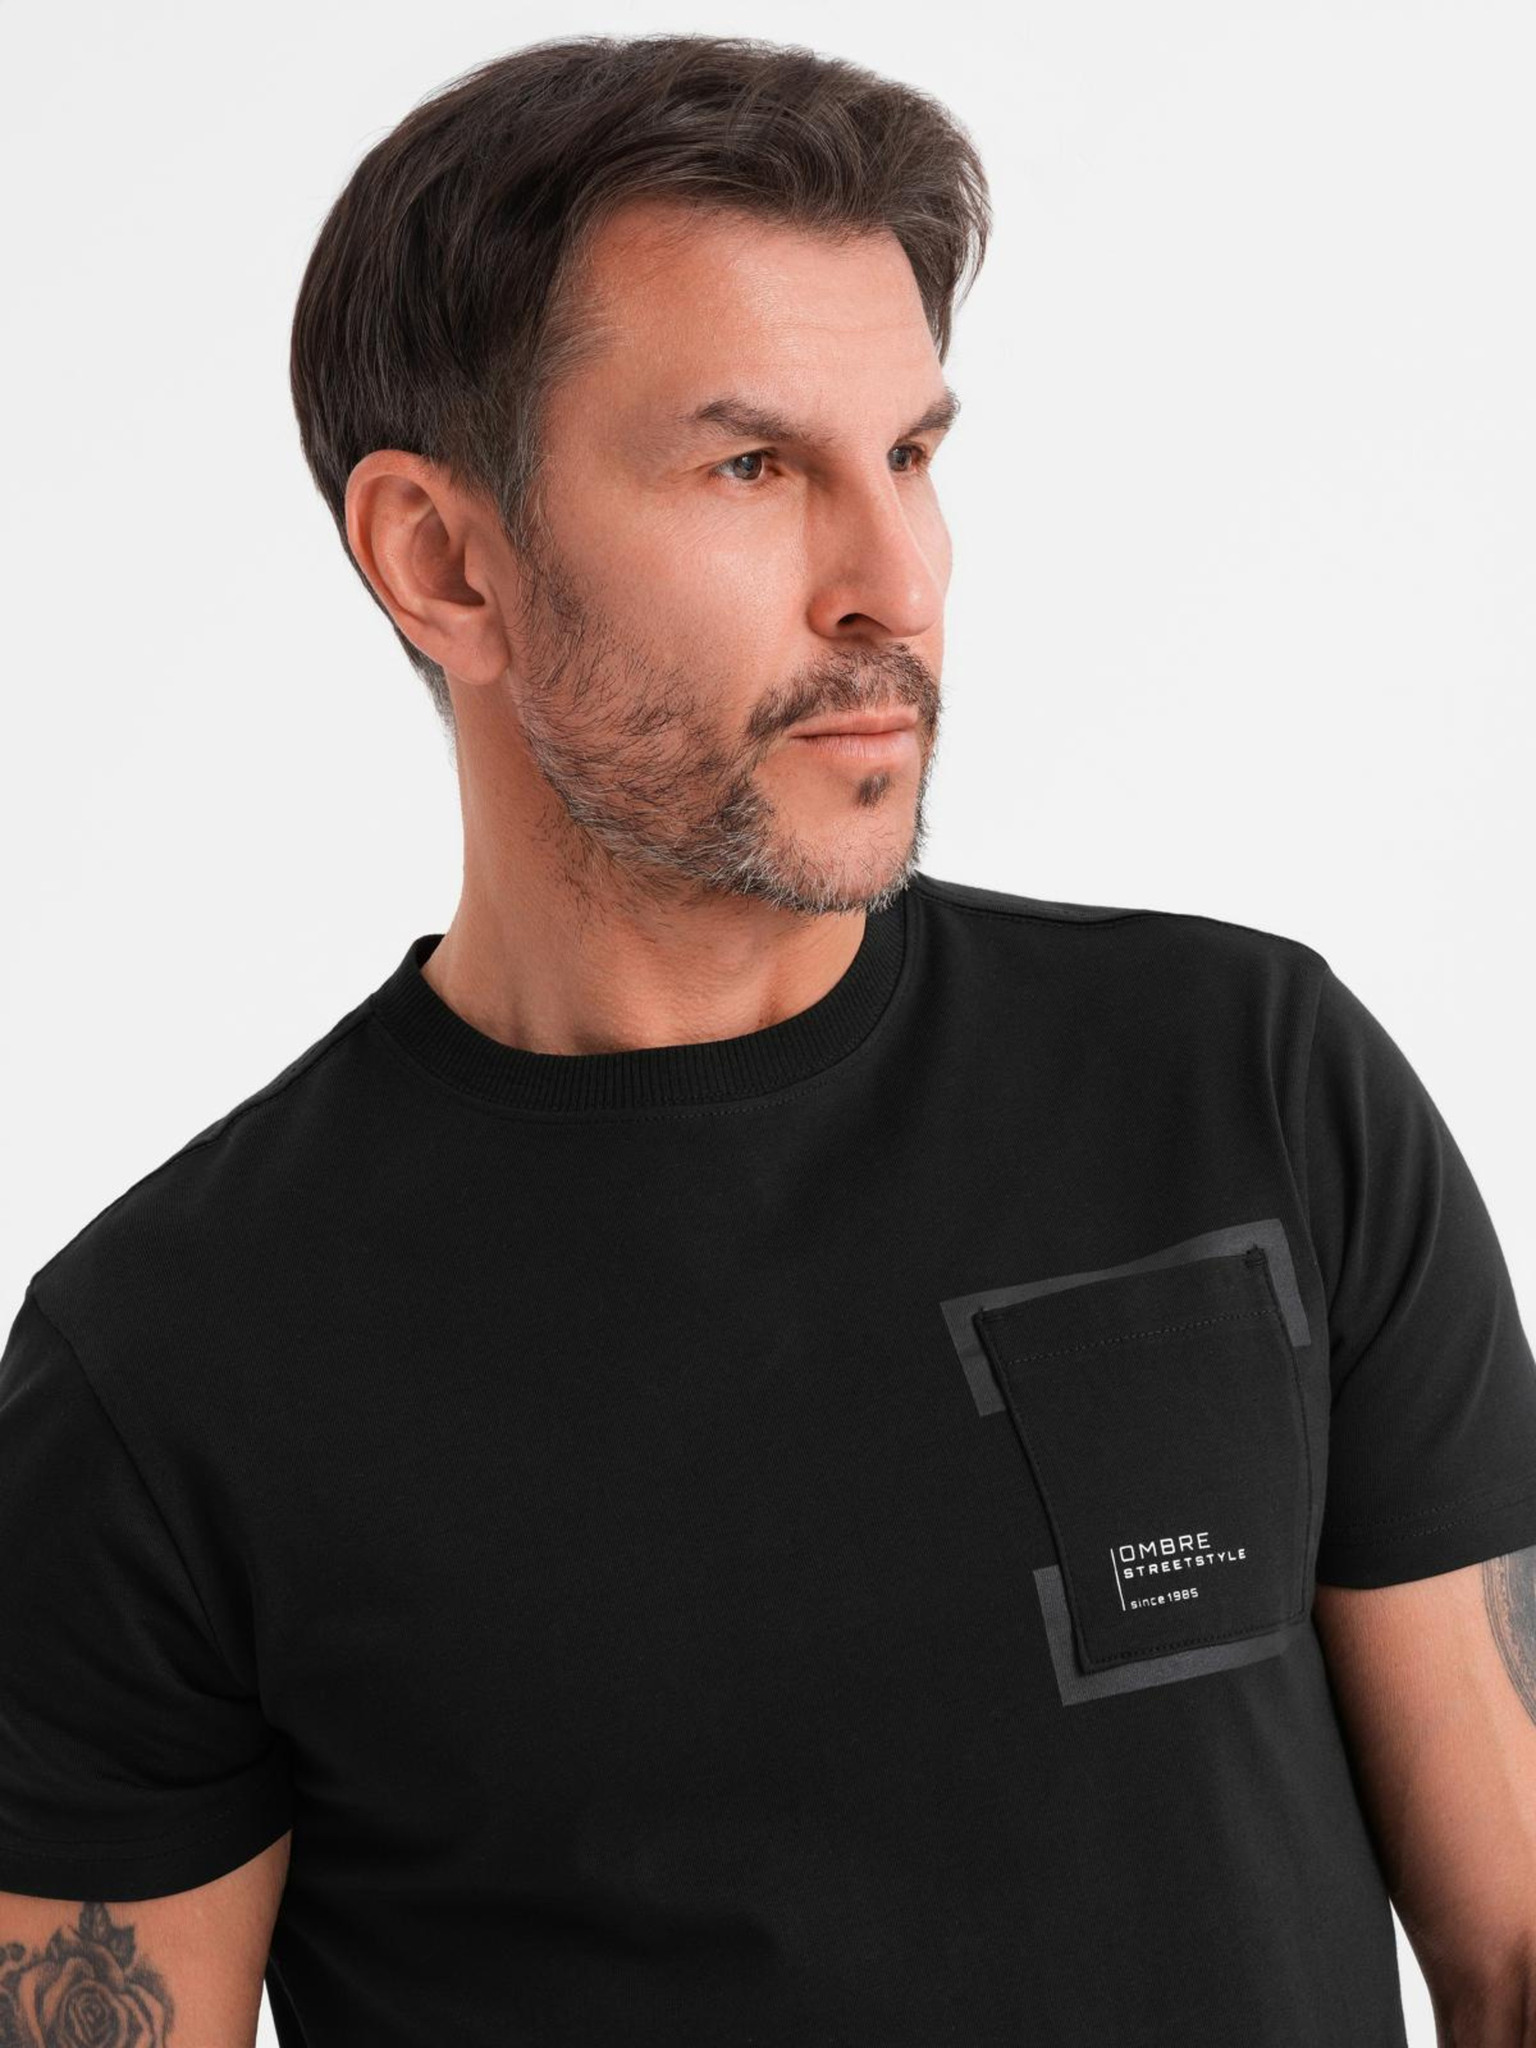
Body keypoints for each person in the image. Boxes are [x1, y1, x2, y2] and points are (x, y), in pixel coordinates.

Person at [2, 31, 1533, 2048]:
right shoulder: (170, 1364)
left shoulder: (1249, 1084)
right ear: (443, 560)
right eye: (753, 468)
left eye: (910, 455)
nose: (896, 583)